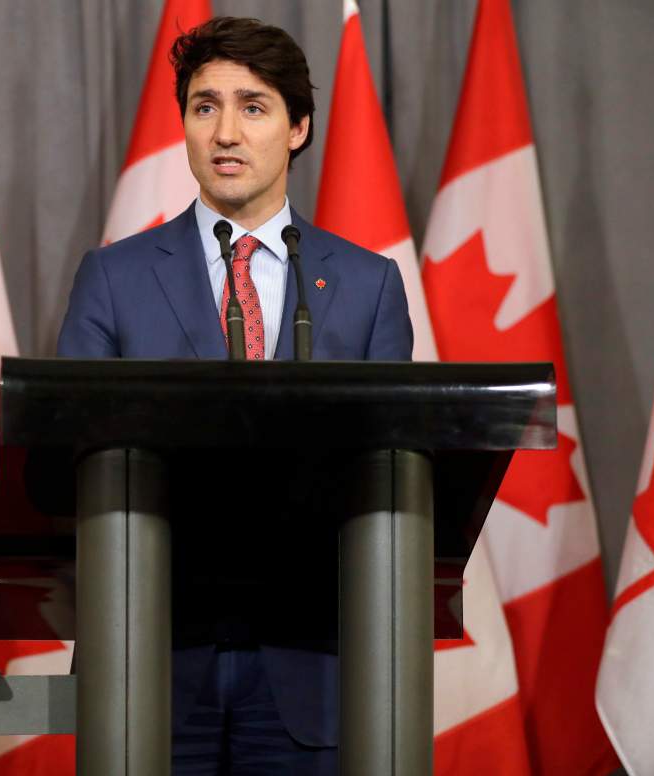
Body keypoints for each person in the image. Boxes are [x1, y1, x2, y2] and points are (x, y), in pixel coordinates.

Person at [57, 17, 413, 775]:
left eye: (253, 106)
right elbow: (68, 465)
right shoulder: (112, 278)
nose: (225, 131)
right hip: (147, 656)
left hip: (309, 661)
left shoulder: (367, 285)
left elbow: (386, 472)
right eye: (203, 105)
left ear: (298, 127)